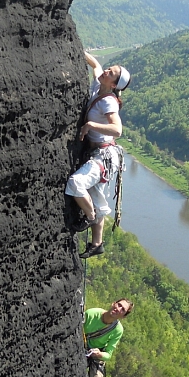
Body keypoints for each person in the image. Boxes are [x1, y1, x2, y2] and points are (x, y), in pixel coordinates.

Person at [65, 51, 131, 258]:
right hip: (100, 155)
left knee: (76, 184)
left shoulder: (108, 102)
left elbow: (117, 130)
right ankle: (97, 243)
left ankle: (90, 215)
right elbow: (95, 64)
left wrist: (91, 124)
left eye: (112, 73)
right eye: (111, 68)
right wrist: (77, 48)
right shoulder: (98, 86)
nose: (108, 70)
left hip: (103, 156)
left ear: (114, 85)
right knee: (96, 196)